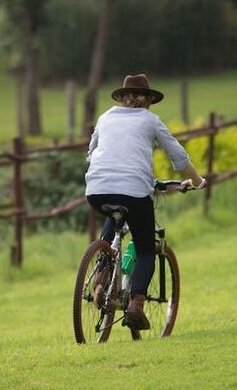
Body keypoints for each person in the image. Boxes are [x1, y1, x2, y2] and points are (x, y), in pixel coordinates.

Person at [85, 73, 206, 331]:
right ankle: (136, 305)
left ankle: (101, 272)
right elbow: (179, 157)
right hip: (133, 191)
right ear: (148, 100)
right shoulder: (151, 120)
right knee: (145, 248)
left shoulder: (105, 117)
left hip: (96, 188)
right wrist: (196, 181)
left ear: (122, 99)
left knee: (113, 215)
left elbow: (91, 152)